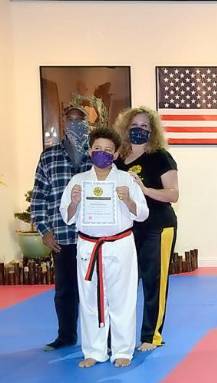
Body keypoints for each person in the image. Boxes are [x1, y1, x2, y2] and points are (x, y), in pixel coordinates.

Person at [59, 127, 148, 368]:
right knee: (89, 300)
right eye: (97, 148)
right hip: (88, 246)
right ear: (89, 151)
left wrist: (128, 200)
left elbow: (142, 214)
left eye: (108, 150)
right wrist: (75, 202)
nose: (102, 153)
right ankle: (94, 351)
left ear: (116, 154)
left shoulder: (126, 180)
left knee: (122, 299)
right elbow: (67, 216)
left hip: (119, 244)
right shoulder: (78, 181)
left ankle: (122, 350)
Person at [114, 107, 179, 352]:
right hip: (126, 228)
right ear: (125, 127)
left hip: (158, 227)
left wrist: (145, 190)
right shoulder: (118, 159)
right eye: (134, 125)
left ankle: (152, 336)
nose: (138, 130)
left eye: (144, 126)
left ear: (152, 131)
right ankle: (121, 334)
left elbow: (173, 194)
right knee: (126, 283)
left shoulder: (160, 157)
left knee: (154, 282)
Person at [31, 104, 92, 351]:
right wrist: (44, 230)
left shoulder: (97, 155)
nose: (76, 123)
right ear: (63, 122)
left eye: (81, 119)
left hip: (94, 237)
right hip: (62, 237)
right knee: (65, 292)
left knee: (95, 291)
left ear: (88, 123)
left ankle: (102, 339)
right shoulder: (49, 156)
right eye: (71, 119)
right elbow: (39, 197)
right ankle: (66, 336)